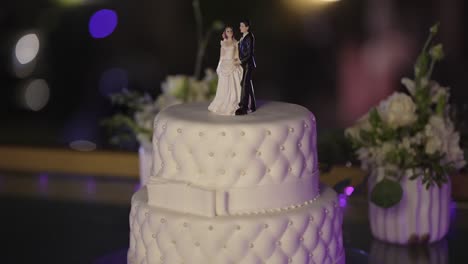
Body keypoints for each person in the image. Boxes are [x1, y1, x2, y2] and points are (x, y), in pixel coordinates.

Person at [208, 26, 244, 115]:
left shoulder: (236, 43)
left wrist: (237, 62)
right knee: (223, 86)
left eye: (231, 31)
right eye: (228, 31)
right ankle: (223, 101)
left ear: (232, 32)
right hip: (224, 65)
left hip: (232, 65)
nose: (229, 32)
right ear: (225, 32)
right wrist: (219, 66)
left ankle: (233, 102)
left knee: (233, 86)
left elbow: (237, 55)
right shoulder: (223, 43)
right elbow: (221, 57)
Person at [235, 19, 256, 115]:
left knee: (245, 84)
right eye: (240, 26)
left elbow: (249, 53)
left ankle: (244, 107)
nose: (240, 28)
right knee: (246, 83)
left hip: (249, 64)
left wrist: (240, 61)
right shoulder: (243, 37)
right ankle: (252, 105)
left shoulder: (249, 37)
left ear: (247, 27)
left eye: (242, 26)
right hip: (245, 65)